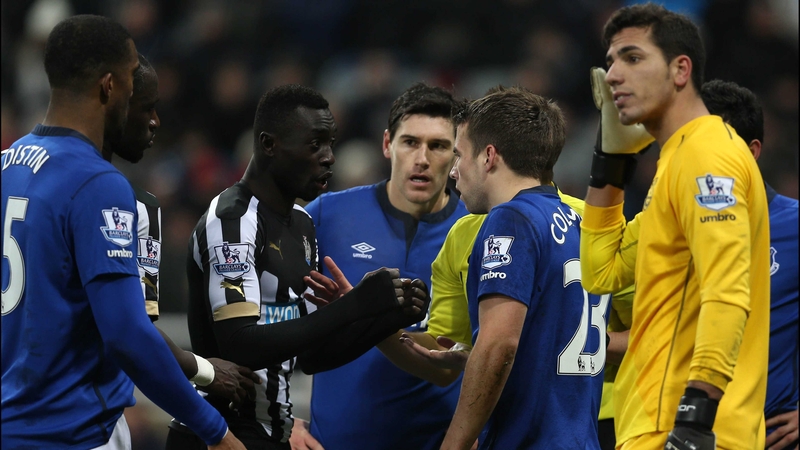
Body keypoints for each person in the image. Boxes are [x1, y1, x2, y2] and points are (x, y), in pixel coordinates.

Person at [1, 14, 244, 449]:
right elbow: (127, 334)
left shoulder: (8, 163)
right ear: (110, 85)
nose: (136, 92)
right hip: (69, 433)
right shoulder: (96, 183)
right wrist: (214, 430)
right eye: (133, 77)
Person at [165, 84, 430, 450]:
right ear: (269, 145)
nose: (329, 158)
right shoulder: (233, 221)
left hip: (271, 431)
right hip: (218, 431)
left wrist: (385, 317)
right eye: (315, 144)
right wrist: (357, 305)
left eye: (331, 144)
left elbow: (311, 354)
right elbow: (239, 345)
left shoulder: (302, 223)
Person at [580, 4, 770, 449]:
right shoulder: (678, 159)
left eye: (632, 57)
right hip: (652, 422)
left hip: (685, 427)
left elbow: (727, 290)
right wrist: (611, 162)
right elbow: (600, 271)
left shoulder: (708, 153)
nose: (613, 75)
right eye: (611, 62)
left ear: (680, 69)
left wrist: (696, 416)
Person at [292, 82, 469, 450]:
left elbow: (473, 359)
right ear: (388, 144)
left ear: (457, 155)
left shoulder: (477, 231)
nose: (422, 158)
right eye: (410, 142)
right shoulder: (326, 216)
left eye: (438, 146)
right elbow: (266, 314)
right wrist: (284, 418)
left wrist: (362, 314)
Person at [441, 86, 605, 449]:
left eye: (459, 155)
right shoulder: (579, 223)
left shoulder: (512, 219)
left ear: (488, 156)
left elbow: (499, 344)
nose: (453, 171)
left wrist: (454, 443)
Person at [102, 53, 261, 410]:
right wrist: (209, 412)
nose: (156, 121)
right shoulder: (131, 205)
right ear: (111, 97)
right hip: (80, 416)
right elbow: (131, 332)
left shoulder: (10, 167)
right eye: (147, 107)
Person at [700, 80, 798, 450]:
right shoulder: (672, 228)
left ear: (752, 151)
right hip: (684, 430)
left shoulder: (795, 226)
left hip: (770, 434)